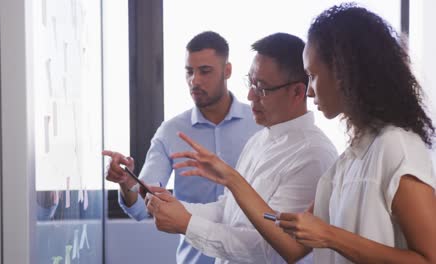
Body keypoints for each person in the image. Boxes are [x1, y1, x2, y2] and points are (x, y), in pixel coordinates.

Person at [170, 3, 436, 264]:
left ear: (345, 74)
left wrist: (331, 236)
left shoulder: (396, 146)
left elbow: (430, 258)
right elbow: (292, 246)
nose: (309, 91)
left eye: (313, 76)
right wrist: (229, 179)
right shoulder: (346, 162)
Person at [145, 32, 338, 264]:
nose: (250, 95)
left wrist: (187, 224)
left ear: (297, 92)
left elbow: (269, 249)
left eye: (262, 88)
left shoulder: (313, 156)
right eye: (251, 83)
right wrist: (178, 208)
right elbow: (229, 211)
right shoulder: (259, 139)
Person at [103, 31, 260, 264]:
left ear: (227, 71)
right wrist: (127, 183)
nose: (194, 81)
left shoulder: (259, 124)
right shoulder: (170, 131)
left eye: (205, 71)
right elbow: (142, 207)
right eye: (189, 71)